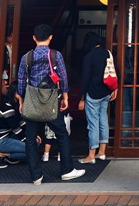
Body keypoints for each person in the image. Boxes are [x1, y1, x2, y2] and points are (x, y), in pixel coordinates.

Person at [17, 24, 85, 185]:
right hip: (52, 101)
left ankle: (36, 176)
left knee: (31, 139)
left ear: (34, 38)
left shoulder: (26, 57)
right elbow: (63, 77)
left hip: (32, 102)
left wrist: (21, 100)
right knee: (62, 134)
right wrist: (65, 96)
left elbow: (20, 81)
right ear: (51, 37)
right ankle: (67, 170)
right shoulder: (55, 55)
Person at [78, 31, 117, 163]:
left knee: (93, 123)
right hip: (106, 92)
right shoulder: (107, 53)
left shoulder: (89, 57)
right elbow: (113, 70)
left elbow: (85, 78)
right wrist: (114, 88)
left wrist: (82, 98)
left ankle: (91, 155)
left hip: (93, 94)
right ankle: (102, 152)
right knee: (103, 121)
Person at [0, 80, 26, 168]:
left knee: (35, 144)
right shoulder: (7, 108)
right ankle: (1, 155)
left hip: (9, 136)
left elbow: (22, 123)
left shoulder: (15, 106)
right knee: (31, 150)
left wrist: (32, 136)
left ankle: (9, 156)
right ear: (15, 93)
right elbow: (16, 128)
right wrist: (26, 139)